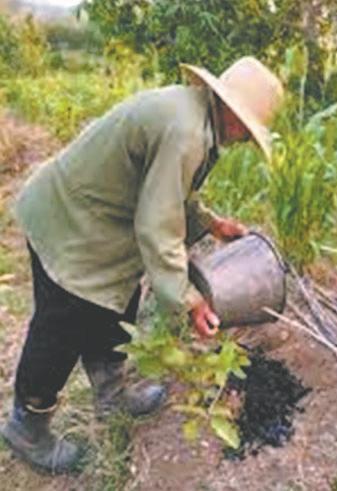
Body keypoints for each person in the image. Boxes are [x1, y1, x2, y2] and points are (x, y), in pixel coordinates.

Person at [1, 57, 283, 474]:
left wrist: (210, 223)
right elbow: (157, 226)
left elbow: (168, 193)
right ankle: (28, 427)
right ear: (233, 113)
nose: (244, 140)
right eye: (247, 129)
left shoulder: (194, 115)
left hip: (96, 223)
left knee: (117, 302)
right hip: (70, 223)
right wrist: (188, 299)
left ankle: (111, 393)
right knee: (62, 325)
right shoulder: (187, 133)